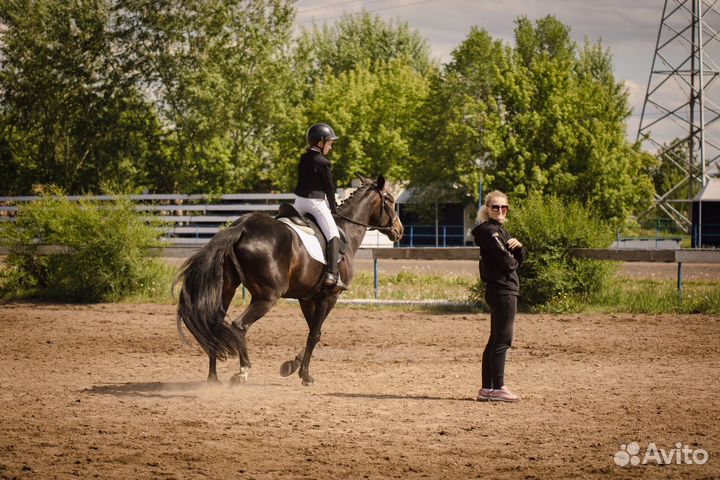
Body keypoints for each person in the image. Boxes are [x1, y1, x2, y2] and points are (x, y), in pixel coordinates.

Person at [471, 190, 526, 403]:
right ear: (487, 209)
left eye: (504, 207)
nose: (500, 211)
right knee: (503, 339)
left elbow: (516, 259)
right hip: (503, 290)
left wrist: (519, 249)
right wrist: (516, 255)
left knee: (495, 339)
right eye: (495, 207)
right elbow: (508, 263)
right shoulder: (491, 232)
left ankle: (487, 389)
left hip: (501, 289)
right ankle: (499, 388)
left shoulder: (498, 230)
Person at [294, 123, 347, 291]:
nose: (330, 147)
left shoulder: (303, 158)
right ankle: (331, 275)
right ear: (320, 142)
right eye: (330, 143)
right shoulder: (323, 162)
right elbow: (329, 188)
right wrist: (333, 208)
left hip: (299, 202)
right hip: (315, 203)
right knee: (333, 235)